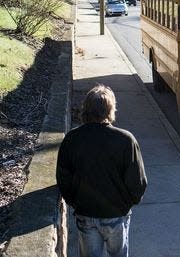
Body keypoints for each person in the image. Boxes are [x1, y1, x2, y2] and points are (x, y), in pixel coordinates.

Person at [56, 84, 147, 257]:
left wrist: (75, 201)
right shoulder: (126, 140)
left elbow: (63, 177)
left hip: (86, 212)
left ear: (86, 110)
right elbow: (138, 181)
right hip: (116, 214)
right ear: (110, 110)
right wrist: (127, 203)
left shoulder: (73, 139)